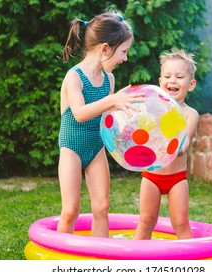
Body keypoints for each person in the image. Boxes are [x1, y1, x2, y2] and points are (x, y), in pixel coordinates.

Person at [57, 11, 145, 237]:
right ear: (105, 48)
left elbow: (106, 115)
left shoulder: (109, 79)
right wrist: (112, 101)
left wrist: (126, 112)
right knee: (70, 210)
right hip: (71, 149)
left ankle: (101, 259)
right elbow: (79, 114)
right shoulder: (74, 77)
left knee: (102, 207)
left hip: (96, 147)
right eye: (123, 52)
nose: (125, 58)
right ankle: (57, 259)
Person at [135, 49, 200, 240]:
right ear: (160, 82)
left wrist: (179, 146)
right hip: (152, 177)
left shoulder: (190, 114)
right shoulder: (152, 110)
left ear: (191, 84)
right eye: (167, 76)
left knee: (180, 222)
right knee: (146, 220)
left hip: (177, 179)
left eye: (179, 76)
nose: (173, 80)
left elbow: (185, 141)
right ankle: (135, 259)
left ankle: (192, 260)